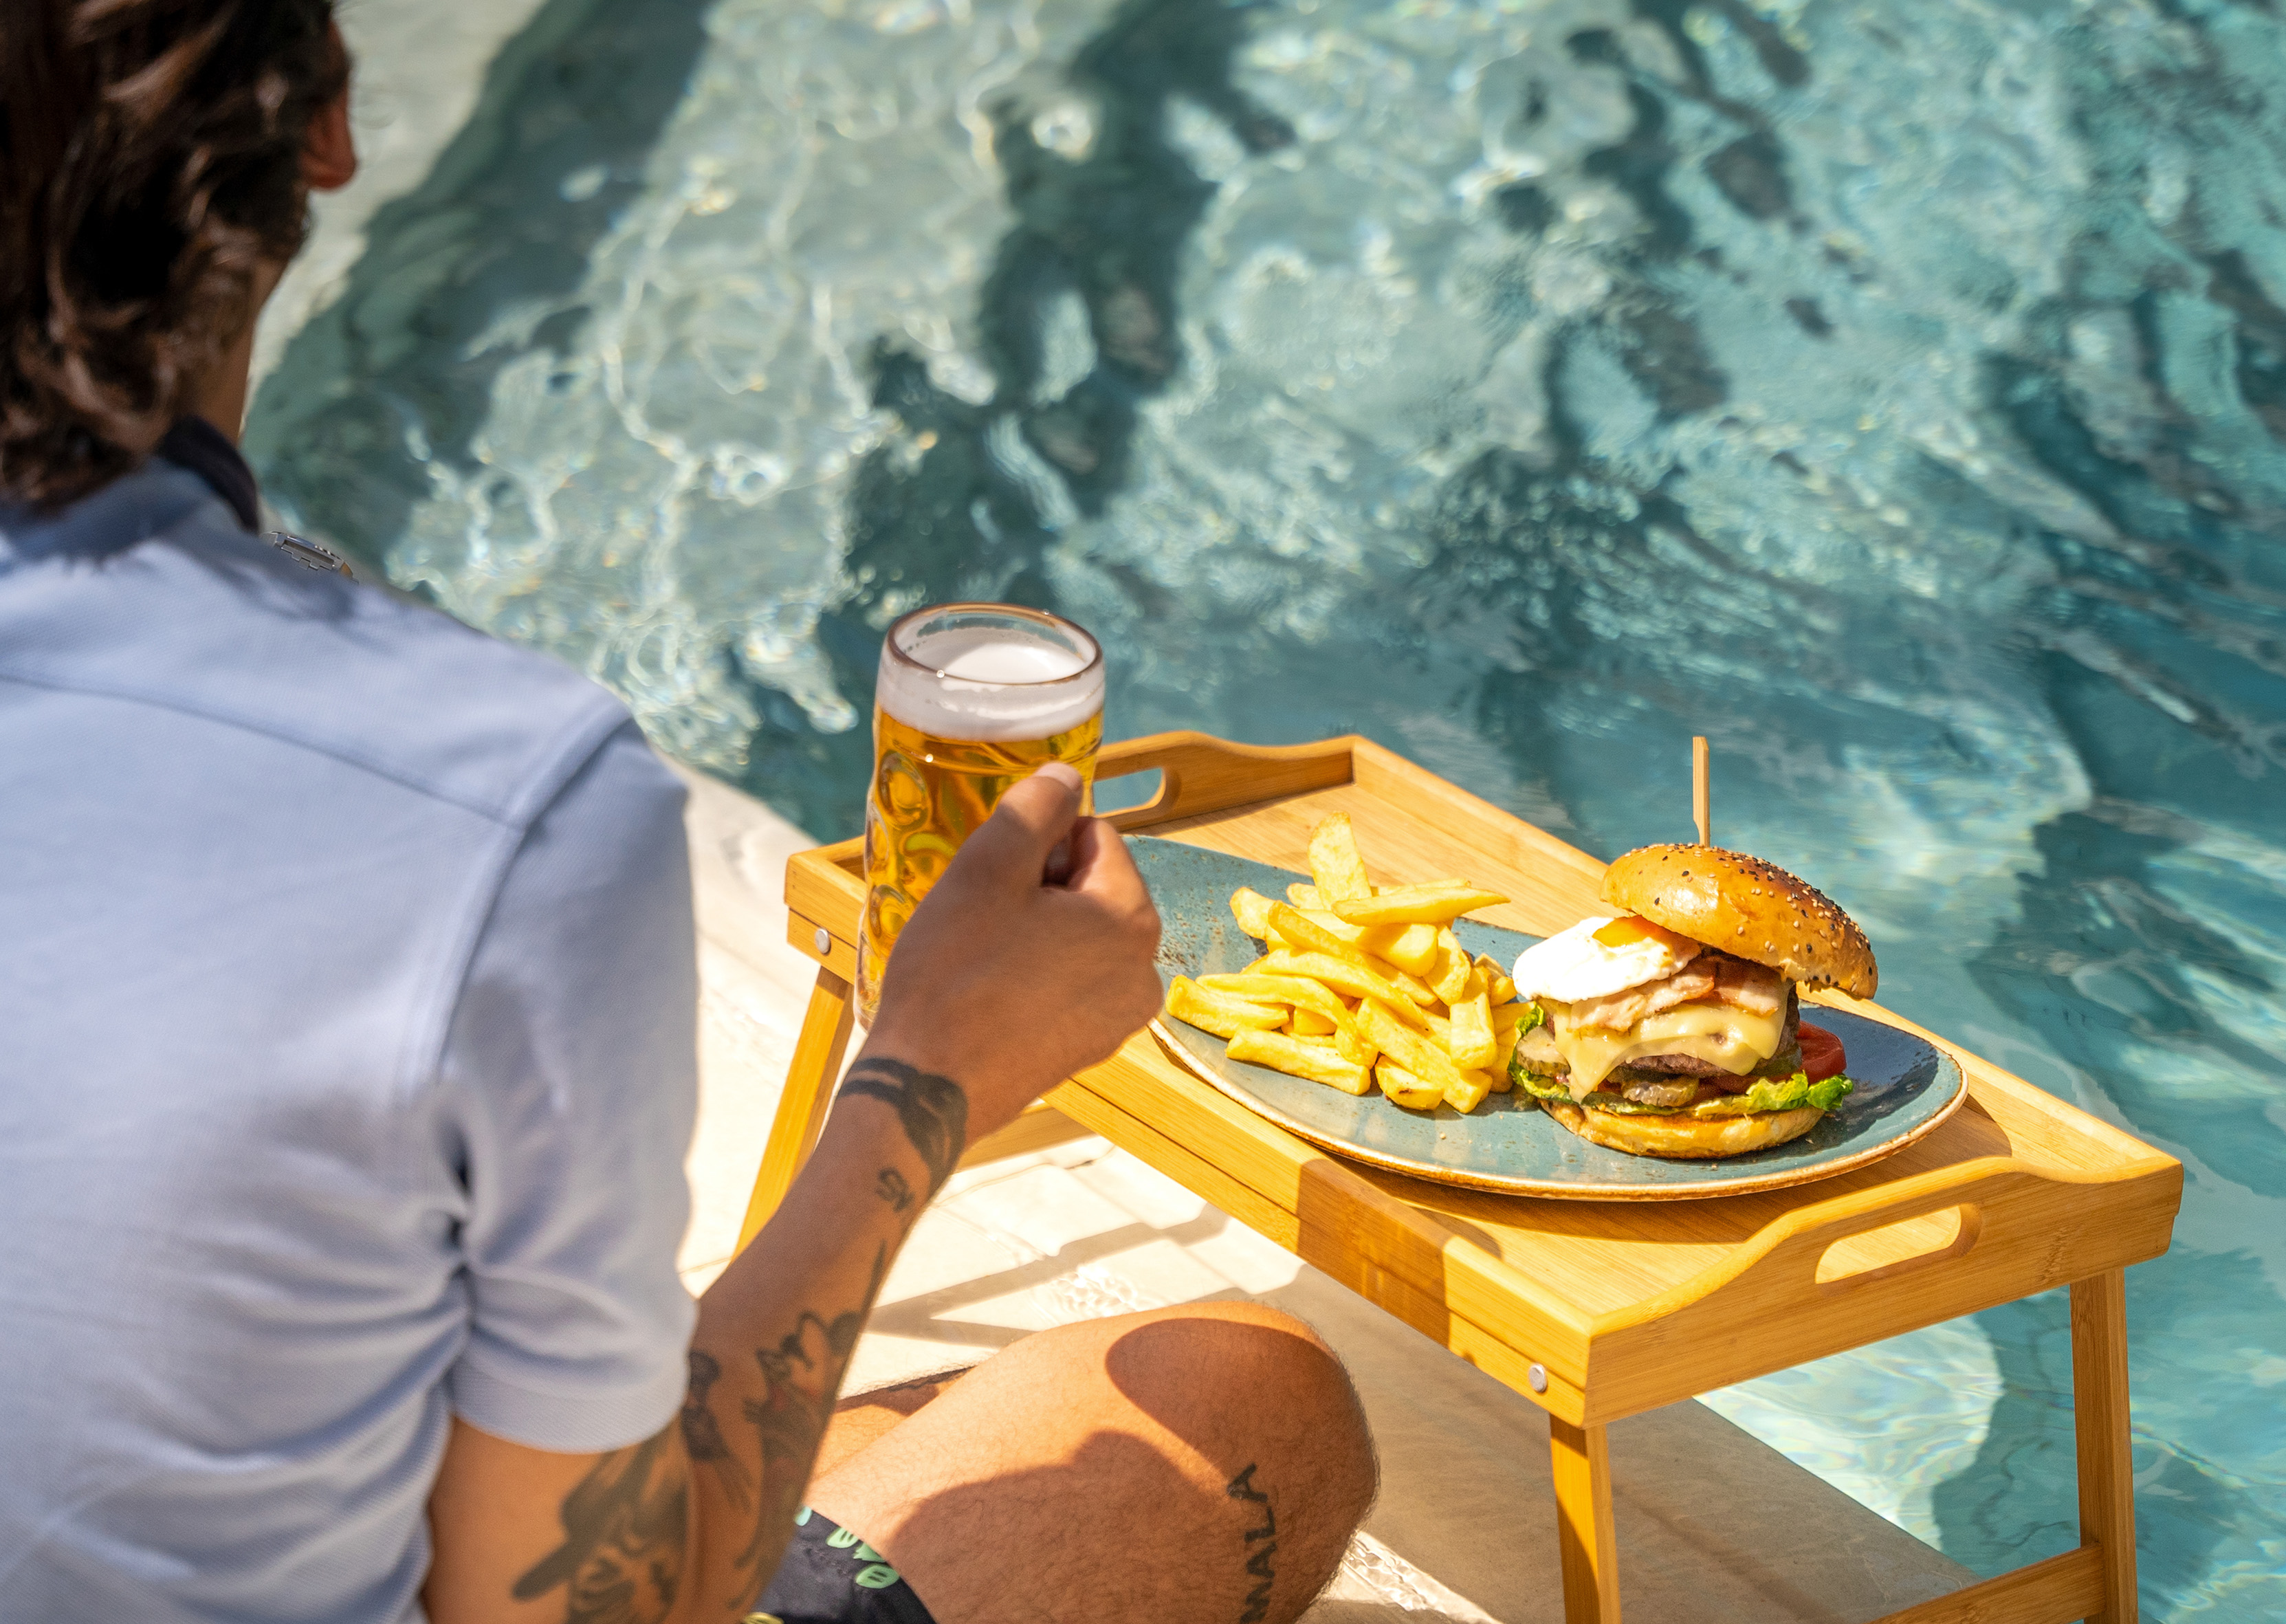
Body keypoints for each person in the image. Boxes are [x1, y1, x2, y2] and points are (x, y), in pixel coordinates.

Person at [0, 6, 1378, 1622]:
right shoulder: (485, 797)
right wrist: (931, 1070)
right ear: (326, 127)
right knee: (1241, 1400)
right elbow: (591, 1598)